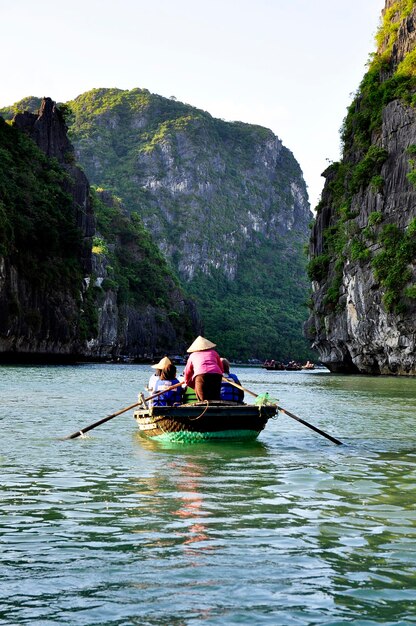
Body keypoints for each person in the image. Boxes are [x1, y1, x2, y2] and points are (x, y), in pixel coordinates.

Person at [183, 336, 224, 401]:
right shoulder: (214, 352)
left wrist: (192, 385)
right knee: (215, 398)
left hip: (201, 376)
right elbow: (221, 369)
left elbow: (187, 373)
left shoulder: (192, 355)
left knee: (202, 399)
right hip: (217, 375)